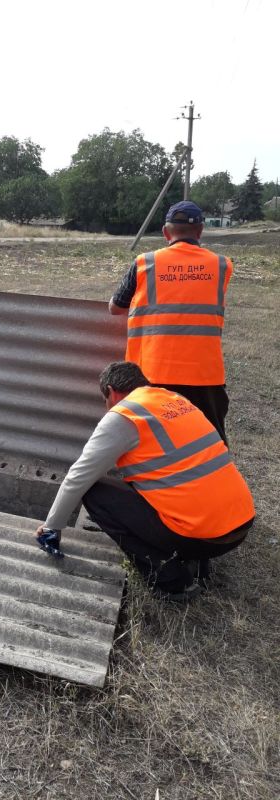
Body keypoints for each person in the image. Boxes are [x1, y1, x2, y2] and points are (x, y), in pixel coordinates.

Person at [34, 362, 255, 601]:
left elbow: (79, 477)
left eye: (104, 400)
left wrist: (50, 528)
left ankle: (171, 580)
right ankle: (196, 560)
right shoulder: (175, 400)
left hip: (202, 535)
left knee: (94, 492)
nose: (107, 407)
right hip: (240, 523)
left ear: (111, 391)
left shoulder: (124, 416)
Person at [109, 200, 233, 444]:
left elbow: (116, 308)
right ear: (200, 231)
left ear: (166, 232)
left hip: (151, 373)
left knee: (152, 442)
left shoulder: (145, 263)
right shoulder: (221, 265)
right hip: (204, 375)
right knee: (209, 443)